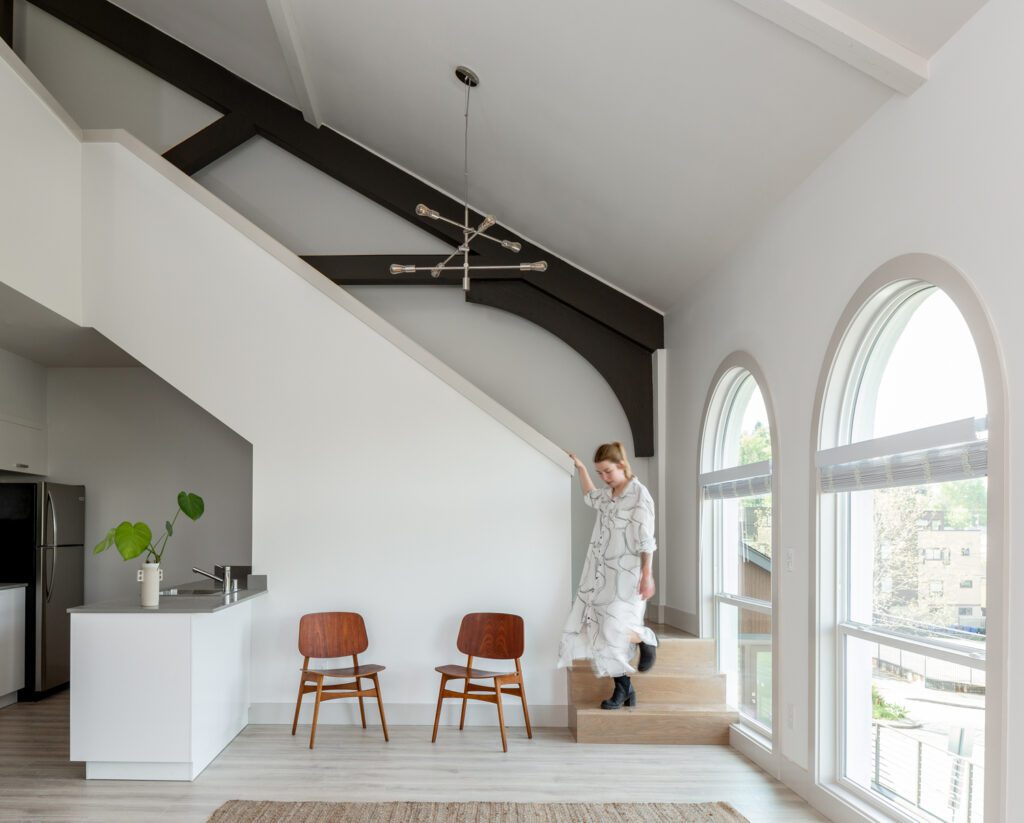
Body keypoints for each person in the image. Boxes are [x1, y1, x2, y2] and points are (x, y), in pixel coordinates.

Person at [557, 441, 658, 709]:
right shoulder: (608, 494)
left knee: (614, 628)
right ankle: (624, 690)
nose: (604, 477)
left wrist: (647, 574)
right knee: (602, 631)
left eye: (607, 472)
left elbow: (646, 540)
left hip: (627, 573)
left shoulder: (639, 495)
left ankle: (645, 638)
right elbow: (590, 495)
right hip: (601, 573)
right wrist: (581, 469)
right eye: (600, 472)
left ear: (622, 465)